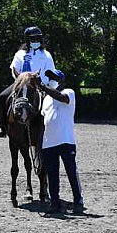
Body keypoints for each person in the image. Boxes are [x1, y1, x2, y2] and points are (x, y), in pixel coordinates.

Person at [38, 69, 85, 214]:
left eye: (53, 77)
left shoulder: (69, 92)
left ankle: (78, 200)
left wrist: (45, 88)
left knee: (71, 171)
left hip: (65, 140)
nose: (51, 79)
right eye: (49, 77)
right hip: (49, 142)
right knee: (52, 174)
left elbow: (62, 98)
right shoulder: (45, 99)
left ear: (61, 80)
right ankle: (55, 202)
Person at [0, 26, 56, 137]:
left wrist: (42, 83)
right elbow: (14, 70)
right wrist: (21, 80)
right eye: (33, 39)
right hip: (21, 83)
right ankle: (2, 126)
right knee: (2, 97)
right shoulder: (20, 54)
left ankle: (54, 129)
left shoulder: (46, 55)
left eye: (38, 38)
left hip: (40, 85)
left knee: (54, 102)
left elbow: (50, 72)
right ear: (27, 40)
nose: (36, 41)